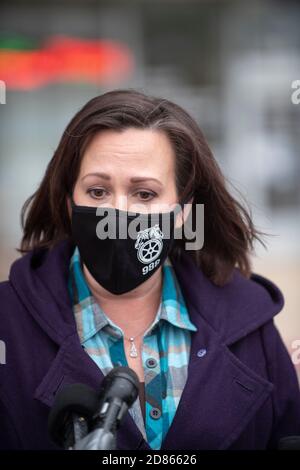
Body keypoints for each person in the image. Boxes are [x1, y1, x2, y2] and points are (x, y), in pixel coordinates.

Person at [0, 89, 299, 450]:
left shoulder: (250, 325)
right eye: (97, 191)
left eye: (144, 194)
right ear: (68, 202)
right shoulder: (8, 323)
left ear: (184, 211)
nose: (118, 212)